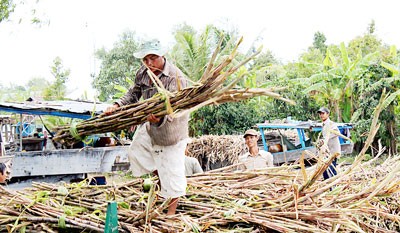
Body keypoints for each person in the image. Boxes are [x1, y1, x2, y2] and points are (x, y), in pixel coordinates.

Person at [105, 39, 189, 215]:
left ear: (162, 55)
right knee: (136, 151)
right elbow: (133, 93)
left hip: (172, 130)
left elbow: (175, 110)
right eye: (145, 59)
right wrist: (117, 105)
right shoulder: (144, 72)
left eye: (153, 58)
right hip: (151, 125)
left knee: (172, 171)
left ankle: (171, 215)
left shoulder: (175, 78)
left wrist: (159, 120)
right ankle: (159, 183)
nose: (149, 63)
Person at [317, 107, 341, 180]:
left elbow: (337, 133)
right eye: (320, 114)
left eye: (323, 113)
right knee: (325, 170)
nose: (321, 115)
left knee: (331, 171)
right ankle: (328, 188)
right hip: (327, 152)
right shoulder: (323, 124)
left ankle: (333, 188)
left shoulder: (330, 123)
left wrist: (325, 139)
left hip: (333, 152)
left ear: (328, 114)